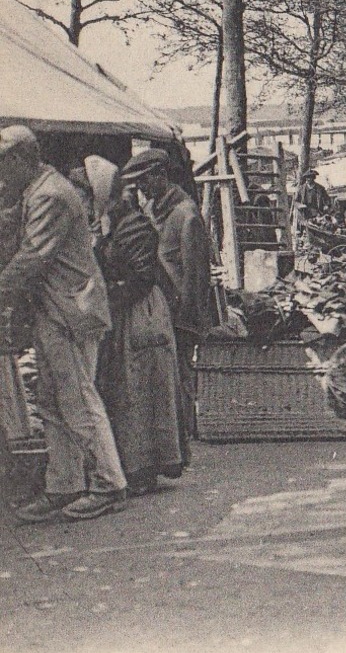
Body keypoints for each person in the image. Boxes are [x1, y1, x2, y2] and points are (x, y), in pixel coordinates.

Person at [0, 127, 126, 522]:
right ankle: (63, 484)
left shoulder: (49, 194)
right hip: (57, 311)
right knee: (54, 401)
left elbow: (31, 257)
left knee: (78, 399)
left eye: (3, 164)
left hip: (70, 313)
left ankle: (109, 483)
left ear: (20, 158)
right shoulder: (38, 190)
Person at [85, 157, 185, 498]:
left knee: (143, 387)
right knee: (131, 388)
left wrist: (107, 299)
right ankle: (134, 465)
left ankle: (146, 468)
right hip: (126, 307)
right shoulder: (115, 224)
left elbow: (141, 278)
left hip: (141, 312)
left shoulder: (136, 227)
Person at [123, 147, 216, 450]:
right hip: (158, 310)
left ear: (161, 176)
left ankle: (186, 434)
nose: (142, 190)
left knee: (181, 376)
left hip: (178, 312)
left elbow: (197, 276)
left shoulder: (186, 215)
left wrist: (190, 320)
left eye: (146, 182)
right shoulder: (154, 211)